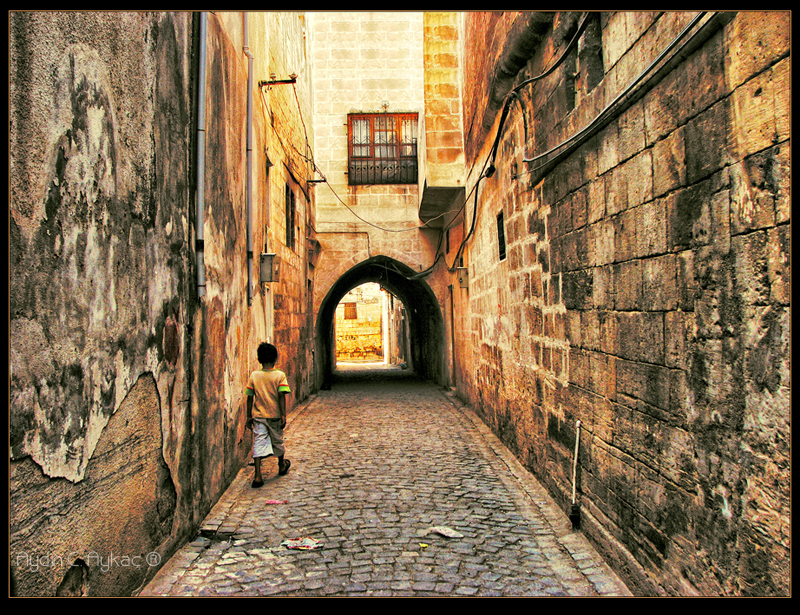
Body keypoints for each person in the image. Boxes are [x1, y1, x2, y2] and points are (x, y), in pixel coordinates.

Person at [245, 342, 292, 488]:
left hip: (259, 416)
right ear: (275, 358)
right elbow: (281, 396)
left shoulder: (254, 376)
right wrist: (283, 415)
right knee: (277, 440)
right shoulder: (279, 375)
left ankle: (258, 475)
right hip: (274, 416)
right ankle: (281, 465)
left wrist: (248, 416)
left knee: (258, 442)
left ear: (259, 358)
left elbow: (249, 397)